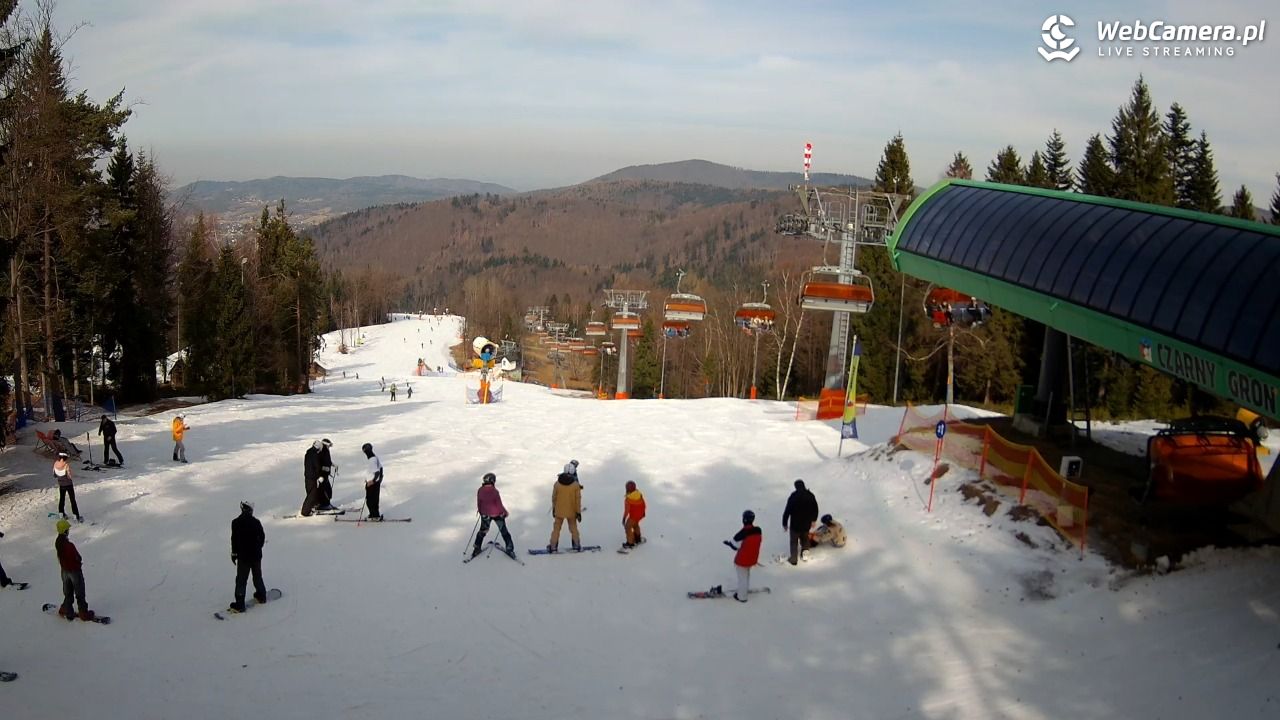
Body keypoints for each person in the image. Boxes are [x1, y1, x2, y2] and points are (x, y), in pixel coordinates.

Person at [229, 501, 267, 613]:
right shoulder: (256, 522)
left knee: (241, 579)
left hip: (243, 557)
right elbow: (262, 537)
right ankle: (262, 595)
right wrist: (258, 548)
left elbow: (234, 540)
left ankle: (240, 603)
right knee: (257, 576)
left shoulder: (236, 523)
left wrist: (234, 554)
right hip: (256, 556)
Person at [54, 518, 94, 621]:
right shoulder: (69, 546)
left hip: (64, 571)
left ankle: (66, 609)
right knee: (79, 592)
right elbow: (77, 557)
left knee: (68, 592)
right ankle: (83, 613)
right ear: (65, 531)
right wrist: (78, 561)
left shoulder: (58, 543)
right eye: (67, 529)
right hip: (74, 572)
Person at [723, 510, 762, 603]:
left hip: (742, 560)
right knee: (747, 575)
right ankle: (745, 590)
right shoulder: (758, 530)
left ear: (744, 519)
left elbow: (735, 546)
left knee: (742, 579)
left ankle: (742, 596)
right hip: (752, 558)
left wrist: (729, 544)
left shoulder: (741, 534)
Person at [472, 472, 514, 557]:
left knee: (483, 531)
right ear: (492, 481)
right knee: (504, 531)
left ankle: (476, 547)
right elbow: (499, 505)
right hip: (497, 514)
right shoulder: (494, 491)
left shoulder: (480, 490)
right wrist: (504, 513)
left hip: (484, 514)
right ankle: (510, 549)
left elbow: (479, 502)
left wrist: (480, 511)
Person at [782, 479, 819, 566]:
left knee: (793, 541)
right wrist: (814, 520)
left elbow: (787, 510)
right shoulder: (810, 495)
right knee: (805, 538)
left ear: (796, 487)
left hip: (795, 524)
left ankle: (794, 559)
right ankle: (805, 554)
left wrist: (784, 523)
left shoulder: (793, 496)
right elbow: (815, 509)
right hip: (806, 524)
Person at [548, 461, 582, 552]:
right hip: (572, 511)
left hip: (559, 510)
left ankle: (553, 546)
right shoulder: (575, 486)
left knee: (556, 528)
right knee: (573, 528)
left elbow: (554, 497)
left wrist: (554, 508)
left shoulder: (557, 484)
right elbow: (577, 500)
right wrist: (578, 512)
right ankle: (576, 544)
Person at [54, 452, 82, 522]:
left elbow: (54, 475)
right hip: (68, 484)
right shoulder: (66, 465)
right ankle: (76, 516)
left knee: (62, 499)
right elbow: (69, 476)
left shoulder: (55, 463)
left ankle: (61, 513)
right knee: (72, 500)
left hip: (61, 484)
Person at [300, 440, 323, 516]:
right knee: (312, 495)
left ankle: (310, 508)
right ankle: (305, 512)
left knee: (310, 493)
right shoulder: (314, 455)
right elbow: (317, 466)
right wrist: (319, 476)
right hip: (312, 477)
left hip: (307, 476)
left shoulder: (308, 453)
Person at [622, 480, 646, 549]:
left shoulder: (628, 500)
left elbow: (627, 511)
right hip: (640, 514)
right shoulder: (639, 494)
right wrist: (643, 512)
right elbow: (643, 504)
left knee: (627, 527)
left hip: (633, 516)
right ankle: (637, 538)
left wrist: (624, 518)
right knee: (635, 524)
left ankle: (630, 543)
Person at [362, 443, 384, 521]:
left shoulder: (372, 459)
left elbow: (377, 472)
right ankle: (374, 514)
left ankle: (374, 516)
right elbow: (381, 468)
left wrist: (372, 481)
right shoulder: (375, 457)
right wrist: (380, 479)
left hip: (372, 483)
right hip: (375, 483)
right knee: (374, 499)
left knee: (370, 500)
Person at [316, 438, 337, 511]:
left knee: (328, 490)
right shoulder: (322, 451)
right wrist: (324, 468)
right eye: (329, 445)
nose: (329, 447)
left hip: (326, 475)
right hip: (322, 475)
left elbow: (327, 461)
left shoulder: (326, 451)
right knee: (324, 490)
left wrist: (333, 464)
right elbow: (318, 463)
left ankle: (327, 503)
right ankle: (323, 504)